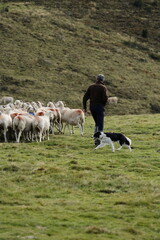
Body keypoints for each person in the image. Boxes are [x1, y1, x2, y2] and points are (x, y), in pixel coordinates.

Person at [83, 74, 109, 143]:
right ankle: (99, 139)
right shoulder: (103, 87)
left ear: (96, 79)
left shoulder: (91, 87)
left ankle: (95, 137)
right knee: (100, 123)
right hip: (99, 107)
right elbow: (105, 99)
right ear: (103, 80)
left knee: (96, 123)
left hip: (92, 107)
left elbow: (85, 98)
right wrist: (103, 105)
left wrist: (85, 108)